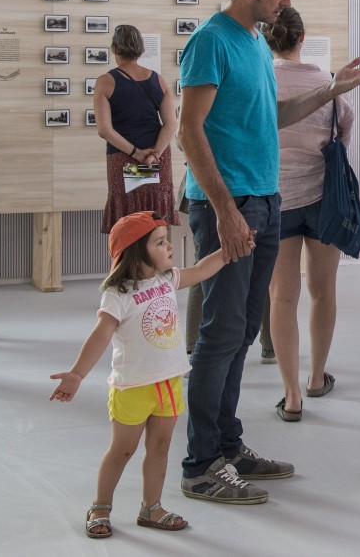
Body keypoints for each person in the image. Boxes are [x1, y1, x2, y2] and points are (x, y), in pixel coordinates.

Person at [178, 0, 360, 506]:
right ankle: (200, 465)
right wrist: (224, 212)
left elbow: (273, 117)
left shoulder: (251, 44)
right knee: (219, 336)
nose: (286, 1)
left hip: (264, 203)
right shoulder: (210, 42)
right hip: (232, 204)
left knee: (243, 332)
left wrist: (330, 91)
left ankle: (228, 444)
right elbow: (189, 132)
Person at [48, 211, 235, 538]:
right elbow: (101, 335)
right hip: (133, 387)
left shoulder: (167, 279)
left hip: (168, 382)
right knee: (122, 450)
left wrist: (229, 250)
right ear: (136, 251)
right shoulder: (118, 294)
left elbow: (203, 270)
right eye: (160, 242)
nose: (169, 247)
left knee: (160, 447)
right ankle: (101, 506)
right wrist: (77, 374)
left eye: (167, 240)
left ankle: (152, 507)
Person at [263, 7, 354, 421]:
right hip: (323, 199)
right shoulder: (326, 83)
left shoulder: (263, 80)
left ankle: (291, 394)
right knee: (324, 290)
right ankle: (317, 377)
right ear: (303, 38)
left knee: (282, 296)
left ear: (268, 39)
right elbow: (344, 131)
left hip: (276, 198)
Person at [94, 25, 177, 233]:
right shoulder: (158, 80)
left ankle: (128, 265)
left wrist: (137, 154)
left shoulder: (106, 82)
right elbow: (170, 124)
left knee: (128, 221)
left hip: (124, 159)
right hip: (157, 159)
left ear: (115, 48)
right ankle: (157, 264)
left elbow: (104, 129)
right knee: (155, 221)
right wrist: (153, 155)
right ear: (140, 48)